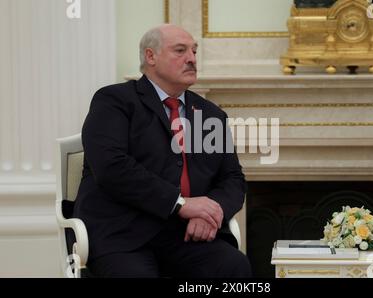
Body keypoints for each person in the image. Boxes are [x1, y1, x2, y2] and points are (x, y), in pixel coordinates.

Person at [73, 24, 252, 278]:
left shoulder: (211, 115)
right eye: (180, 50)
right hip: (124, 237)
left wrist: (211, 211)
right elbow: (112, 167)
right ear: (150, 56)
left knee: (234, 267)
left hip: (186, 236)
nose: (191, 58)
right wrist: (181, 204)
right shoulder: (114, 101)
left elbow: (232, 178)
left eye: (194, 51)